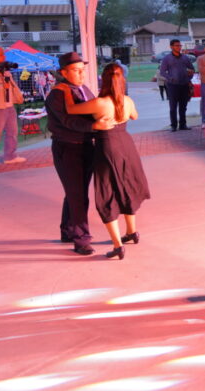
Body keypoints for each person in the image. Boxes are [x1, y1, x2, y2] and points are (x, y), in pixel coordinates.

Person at [55, 63, 150, 260]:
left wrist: (64, 90)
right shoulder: (127, 100)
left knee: (107, 193)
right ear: (122, 81)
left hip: (107, 146)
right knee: (126, 188)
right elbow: (134, 116)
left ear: (103, 80)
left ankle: (117, 245)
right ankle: (131, 232)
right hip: (126, 145)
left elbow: (71, 109)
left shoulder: (99, 103)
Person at [45, 52, 113, 255]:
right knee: (77, 195)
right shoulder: (58, 93)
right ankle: (81, 239)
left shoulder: (83, 89)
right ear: (63, 72)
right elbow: (68, 121)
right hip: (68, 148)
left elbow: (94, 108)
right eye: (76, 71)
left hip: (85, 146)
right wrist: (95, 125)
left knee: (76, 191)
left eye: (83, 70)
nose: (81, 75)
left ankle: (68, 231)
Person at [159, 39, 195, 131]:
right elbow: (162, 72)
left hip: (184, 85)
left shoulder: (185, 58)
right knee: (173, 107)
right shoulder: (167, 58)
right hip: (172, 86)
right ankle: (173, 126)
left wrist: (189, 77)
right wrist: (170, 78)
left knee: (183, 106)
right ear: (171, 47)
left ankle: (183, 125)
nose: (179, 47)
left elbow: (191, 68)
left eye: (180, 45)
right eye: (176, 45)